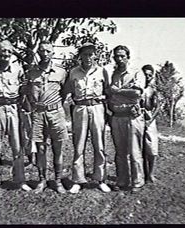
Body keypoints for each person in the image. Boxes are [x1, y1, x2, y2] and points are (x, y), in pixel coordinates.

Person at [0, 40, 32, 194]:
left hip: (13, 108)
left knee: (17, 145)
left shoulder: (18, 70)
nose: (6, 54)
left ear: (12, 52)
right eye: (3, 51)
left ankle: (20, 180)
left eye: (9, 51)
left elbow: (23, 92)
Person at [62, 42, 111, 194]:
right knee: (79, 145)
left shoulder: (102, 71)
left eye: (91, 54)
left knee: (99, 145)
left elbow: (109, 92)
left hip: (97, 108)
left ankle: (100, 179)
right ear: (80, 56)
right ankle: (78, 180)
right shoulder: (73, 72)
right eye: (85, 54)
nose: (88, 57)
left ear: (96, 55)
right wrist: (70, 102)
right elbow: (67, 92)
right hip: (80, 109)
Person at [23, 41, 68, 194]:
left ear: (53, 52)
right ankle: (42, 180)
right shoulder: (31, 73)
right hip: (38, 114)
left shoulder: (61, 72)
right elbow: (27, 93)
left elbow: (64, 93)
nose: (45, 53)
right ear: (38, 53)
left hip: (56, 113)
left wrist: (54, 105)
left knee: (58, 148)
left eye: (48, 50)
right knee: (41, 148)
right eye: (42, 50)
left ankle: (58, 181)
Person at [107, 45, 145, 193]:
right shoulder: (114, 74)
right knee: (120, 152)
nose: (119, 58)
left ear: (128, 57)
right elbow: (110, 94)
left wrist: (119, 91)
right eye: (116, 56)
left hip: (132, 117)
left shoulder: (136, 73)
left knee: (134, 151)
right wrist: (121, 93)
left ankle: (137, 182)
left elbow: (137, 93)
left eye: (122, 56)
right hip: (117, 116)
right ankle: (122, 180)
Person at [141, 64, 160, 183]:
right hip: (137, 118)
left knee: (152, 149)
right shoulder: (137, 88)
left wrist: (150, 120)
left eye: (149, 75)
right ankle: (143, 174)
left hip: (149, 119)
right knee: (139, 149)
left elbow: (157, 107)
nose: (147, 77)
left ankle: (151, 174)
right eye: (145, 75)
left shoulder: (153, 90)